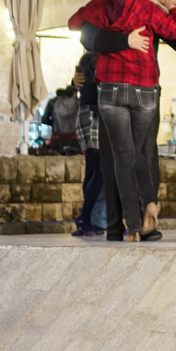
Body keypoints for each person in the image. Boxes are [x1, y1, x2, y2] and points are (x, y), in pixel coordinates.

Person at [67, 0, 176, 242]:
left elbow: (75, 25)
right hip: (144, 88)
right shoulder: (147, 9)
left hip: (111, 90)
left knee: (127, 156)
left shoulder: (98, 7)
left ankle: (133, 226)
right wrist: (171, 11)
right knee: (131, 156)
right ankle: (146, 207)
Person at [71, 52, 104, 237]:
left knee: (92, 170)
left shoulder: (86, 58)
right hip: (94, 116)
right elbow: (90, 83)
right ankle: (85, 217)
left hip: (85, 114)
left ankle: (87, 220)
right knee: (99, 171)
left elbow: (81, 82)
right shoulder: (97, 58)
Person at [41, 87, 80, 155]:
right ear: (74, 93)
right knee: (75, 163)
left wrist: (55, 123)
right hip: (74, 139)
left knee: (56, 162)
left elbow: (44, 120)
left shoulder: (52, 101)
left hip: (57, 139)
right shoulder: (78, 101)